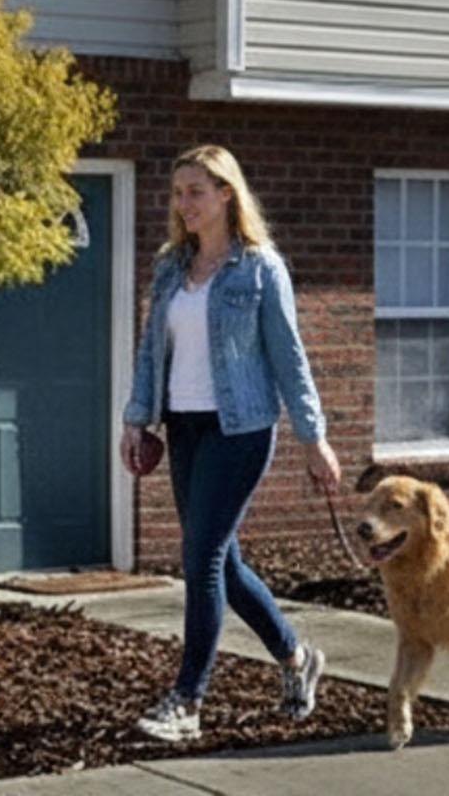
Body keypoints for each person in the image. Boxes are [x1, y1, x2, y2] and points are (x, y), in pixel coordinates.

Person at [119, 144, 341, 744]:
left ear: (226, 194)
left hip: (240, 430)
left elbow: (288, 358)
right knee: (225, 561)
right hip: (184, 428)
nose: (183, 203)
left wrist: (313, 437)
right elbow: (150, 350)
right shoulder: (171, 266)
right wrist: (136, 419)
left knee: (202, 560)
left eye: (196, 191)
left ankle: (187, 701)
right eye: (178, 192)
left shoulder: (260, 267)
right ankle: (297, 660)